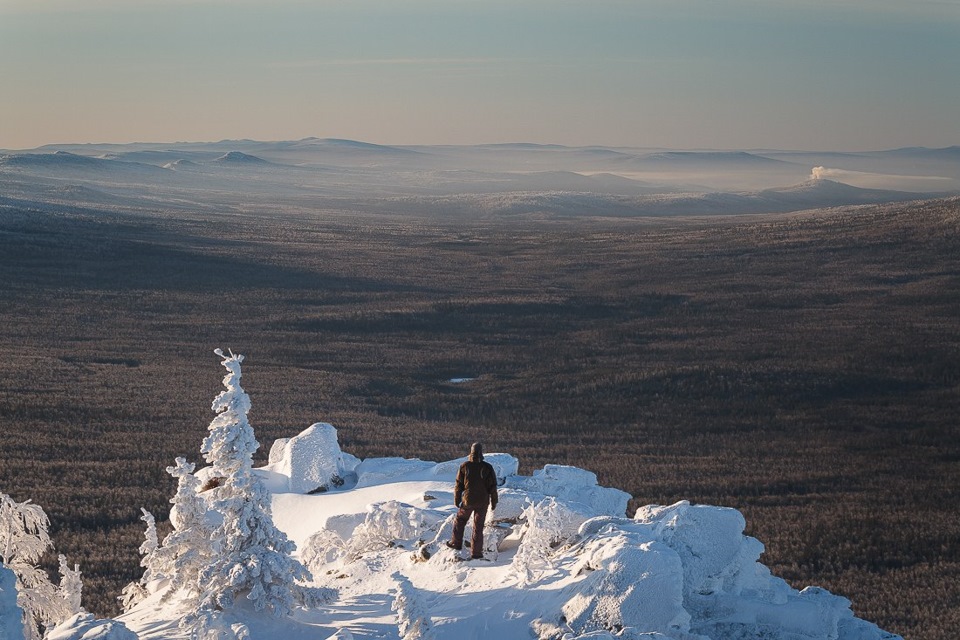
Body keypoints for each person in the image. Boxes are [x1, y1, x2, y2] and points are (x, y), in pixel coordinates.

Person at [447, 442, 498, 559]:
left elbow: (458, 485)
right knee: (478, 527)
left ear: (471, 452)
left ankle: (456, 543)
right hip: (483, 501)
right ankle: (476, 553)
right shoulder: (487, 467)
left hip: (468, 501)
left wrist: (457, 499)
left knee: (460, 520)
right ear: (481, 452)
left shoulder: (465, 466)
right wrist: (494, 502)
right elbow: (493, 487)